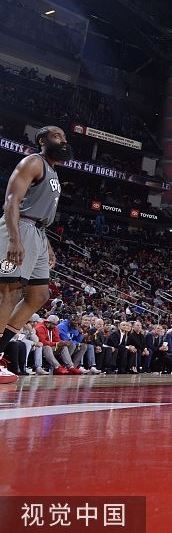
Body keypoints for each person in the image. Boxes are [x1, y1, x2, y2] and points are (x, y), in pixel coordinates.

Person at [0, 126, 70, 383]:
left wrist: (46, 244)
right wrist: (15, 238)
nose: (62, 141)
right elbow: (11, 201)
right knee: (8, 292)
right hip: (21, 228)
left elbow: (41, 215)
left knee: (39, 295)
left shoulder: (54, 172)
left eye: (64, 138)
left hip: (38, 233)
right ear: (42, 140)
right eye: (57, 136)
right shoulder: (33, 162)